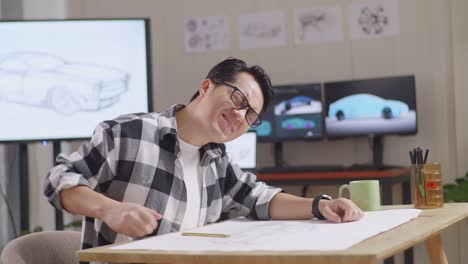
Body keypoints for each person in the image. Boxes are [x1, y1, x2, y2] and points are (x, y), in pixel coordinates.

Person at [44, 58, 363, 251]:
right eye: (238, 99)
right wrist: (108, 209)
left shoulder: (217, 159)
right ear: (207, 86)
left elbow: (258, 198)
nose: (241, 115)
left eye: (252, 115)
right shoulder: (130, 133)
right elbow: (59, 180)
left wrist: (321, 206)